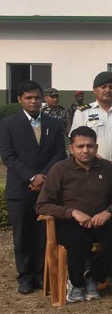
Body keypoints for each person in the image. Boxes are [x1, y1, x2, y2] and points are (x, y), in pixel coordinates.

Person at [35, 126, 112, 303]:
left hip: (100, 220)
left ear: (96, 147)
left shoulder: (107, 168)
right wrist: (72, 212)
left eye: (90, 146)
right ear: (71, 148)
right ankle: (76, 283)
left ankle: (92, 276)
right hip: (70, 223)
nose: (86, 150)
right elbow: (42, 205)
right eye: (80, 146)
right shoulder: (60, 169)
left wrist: (108, 213)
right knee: (80, 244)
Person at [0, 80, 67, 294]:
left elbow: (60, 154)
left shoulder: (53, 124)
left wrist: (43, 177)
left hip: (46, 189)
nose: (33, 101)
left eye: (37, 97)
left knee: (43, 234)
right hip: (20, 189)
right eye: (28, 98)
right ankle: (25, 277)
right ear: (20, 99)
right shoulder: (8, 124)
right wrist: (31, 177)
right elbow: (8, 156)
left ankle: (41, 274)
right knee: (22, 234)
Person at [70, 71, 112, 178]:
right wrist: (103, 163)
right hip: (91, 169)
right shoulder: (83, 112)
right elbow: (76, 141)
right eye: (103, 87)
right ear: (95, 90)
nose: (108, 90)